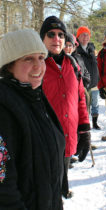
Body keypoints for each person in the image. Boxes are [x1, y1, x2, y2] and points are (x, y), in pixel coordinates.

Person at [0, 29, 65, 210]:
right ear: (9, 65)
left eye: (40, 57)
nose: (38, 65)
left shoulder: (33, 95)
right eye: (27, 59)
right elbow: (0, 188)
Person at [40, 16, 91, 198]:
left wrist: (84, 130)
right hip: (45, 140)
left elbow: (80, 100)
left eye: (61, 35)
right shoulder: (37, 66)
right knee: (47, 189)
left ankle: (64, 187)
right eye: (51, 34)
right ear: (42, 39)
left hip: (69, 134)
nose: (57, 39)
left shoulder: (72, 65)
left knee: (64, 169)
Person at [76, 26, 101, 130]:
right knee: (84, 109)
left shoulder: (92, 49)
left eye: (87, 35)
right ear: (78, 37)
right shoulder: (75, 50)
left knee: (95, 105)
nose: (85, 37)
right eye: (83, 35)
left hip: (94, 83)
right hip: (83, 85)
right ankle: (85, 132)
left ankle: (94, 123)